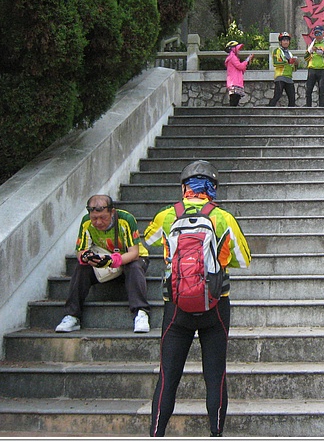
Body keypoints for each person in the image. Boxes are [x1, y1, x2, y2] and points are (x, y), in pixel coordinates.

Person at [145, 160, 252, 438]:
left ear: (184, 188)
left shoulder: (167, 215)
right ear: (212, 189)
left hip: (176, 306)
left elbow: (148, 240)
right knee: (215, 377)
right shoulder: (223, 218)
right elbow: (244, 259)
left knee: (167, 378)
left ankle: (156, 434)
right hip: (215, 306)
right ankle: (216, 434)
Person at [55, 194, 151, 334]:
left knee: (134, 266)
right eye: (94, 218)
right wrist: (87, 257)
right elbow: (80, 251)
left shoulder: (126, 219)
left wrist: (113, 261)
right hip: (103, 262)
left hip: (129, 260)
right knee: (81, 267)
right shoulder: (86, 222)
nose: (98, 222)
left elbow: (134, 252)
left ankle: (141, 312)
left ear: (112, 212)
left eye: (103, 218)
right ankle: (72, 315)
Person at [304, 25, 324, 107]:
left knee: (322, 91)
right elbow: (305, 58)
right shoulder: (311, 44)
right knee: (308, 90)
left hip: (322, 69)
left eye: (319, 33)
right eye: (316, 34)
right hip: (312, 69)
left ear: (323, 33)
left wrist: (323, 53)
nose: (317, 36)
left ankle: (321, 109)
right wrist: (310, 51)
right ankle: (308, 108)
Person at [269, 31, 298, 107]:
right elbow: (275, 63)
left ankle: (290, 117)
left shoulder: (290, 53)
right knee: (277, 96)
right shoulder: (277, 51)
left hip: (289, 77)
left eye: (287, 40)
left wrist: (296, 64)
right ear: (280, 42)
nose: (286, 42)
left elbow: (293, 69)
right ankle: (268, 111)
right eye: (284, 40)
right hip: (280, 77)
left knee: (292, 99)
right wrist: (288, 61)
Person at [224, 40, 254, 106]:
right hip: (234, 82)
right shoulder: (232, 57)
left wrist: (247, 62)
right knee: (234, 100)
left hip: (235, 82)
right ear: (232, 49)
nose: (238, 51)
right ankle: (231, 115)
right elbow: (240, 66)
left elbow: (242, 68)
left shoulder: (233, 58)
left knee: (235, 100)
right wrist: (247, 60)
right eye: (237, 49)